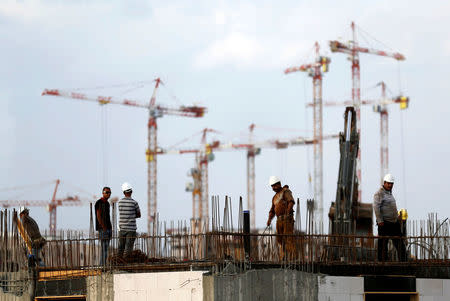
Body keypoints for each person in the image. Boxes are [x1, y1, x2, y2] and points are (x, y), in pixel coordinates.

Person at [373, 173, 407, 262]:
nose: (390, 185)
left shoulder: (389, 194)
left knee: (399, 243)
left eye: (391, 184)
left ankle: (403, 261)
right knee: (383, 244)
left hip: (394, 223)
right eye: (388, 183)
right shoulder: (379, 193)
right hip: (384, 223)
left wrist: (397, 217)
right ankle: (382, 262)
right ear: (384, 183)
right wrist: (380, 221)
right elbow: (376, 207)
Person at [266, 176, 295, 260]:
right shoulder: (274, 197)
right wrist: (269, 219)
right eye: (272, 186)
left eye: (274, 185)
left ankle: (291, 258)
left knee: (288, 238)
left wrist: (287, 212)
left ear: (279, 184)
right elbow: (272, 210)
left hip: (287, 219)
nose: (273, 188)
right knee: (281, 239)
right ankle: (284, 256)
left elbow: (291, 202)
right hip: (279, 220)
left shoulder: (285, 191)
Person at [118, 182, 141, 258]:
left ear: (123, 192)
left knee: (121, 247)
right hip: (131, 229)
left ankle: (119, 262)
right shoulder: (134, 203)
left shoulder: (120, 202)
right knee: (128, 248)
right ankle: (126, 263)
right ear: (131, 192)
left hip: (121, 229)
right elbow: (139, 214)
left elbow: (121, 212)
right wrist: (132, 215)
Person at [95, 187, 112, 265]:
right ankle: (102, 266)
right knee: (104, 249)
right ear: (103, 192)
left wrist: (110, 228)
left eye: (110, 193)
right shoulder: (99, 202)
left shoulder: (107, 203)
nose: (109, 194)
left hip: (108, 228)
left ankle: (103, 265)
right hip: (103, 229)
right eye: (107, 192)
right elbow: (98, 216)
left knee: (106, 249)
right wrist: (104, 227)